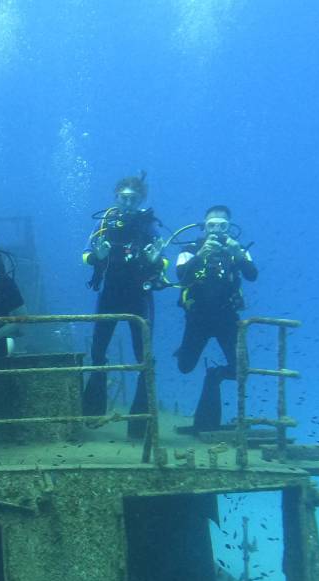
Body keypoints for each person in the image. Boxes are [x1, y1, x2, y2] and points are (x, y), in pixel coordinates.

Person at [81, 173, 166, 437]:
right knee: (98, 350)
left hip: (139, 296)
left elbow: (162, 262)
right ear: (115, 197)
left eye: (133, 198)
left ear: (142, 200)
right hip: (110, 295)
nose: (128, 203)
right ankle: (93, 411)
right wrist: (98, 256)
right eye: (123, 197)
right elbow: (85, 255)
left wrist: (154, 260)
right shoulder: (104, 223)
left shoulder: (148, 225)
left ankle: (139, 423)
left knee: (143, 357)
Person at [174, 205, 258, 432]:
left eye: (223, 225)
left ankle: (216, 375)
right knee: (184, 367)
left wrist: (238, 253)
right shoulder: (190, 249)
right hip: (197, 318)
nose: (217, 230)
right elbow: (180, 276)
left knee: (243, 370)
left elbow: (252, 275)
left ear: (230, 228)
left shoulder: (237, 250)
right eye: (212, 225)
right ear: (204, 226)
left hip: (227, 318)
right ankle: (185, 353)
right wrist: (200, 256)